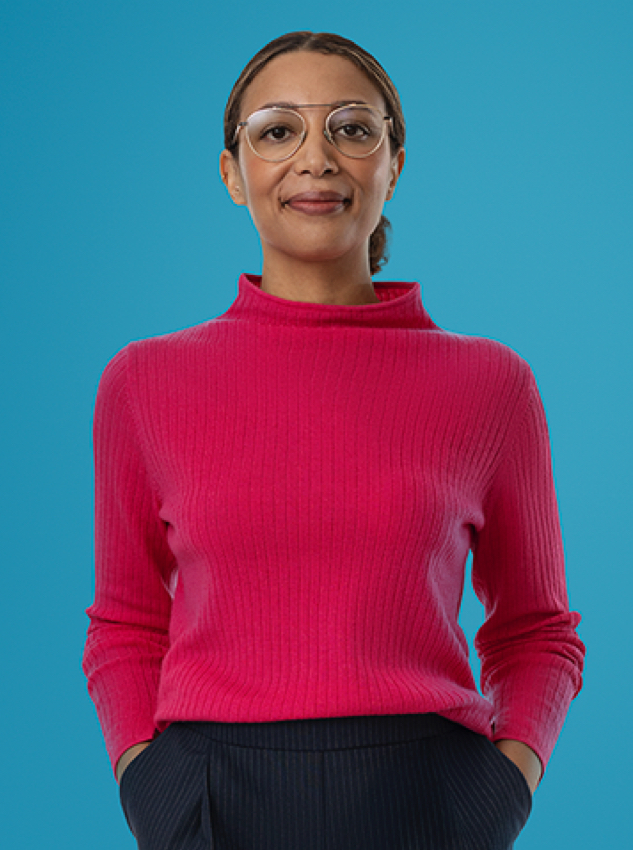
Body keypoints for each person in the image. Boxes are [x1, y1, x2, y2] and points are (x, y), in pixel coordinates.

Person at [82, 30, 586, 850]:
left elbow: (536, 629)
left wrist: (504, 784)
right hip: (211, 794)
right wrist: (151, 783)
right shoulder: (143, 382)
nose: (316, 158)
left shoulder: (492, 384)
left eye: (352, 128)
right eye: (278, 130)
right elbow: (125, 624)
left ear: (393, 164)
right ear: (231, 173)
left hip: (431, 793)